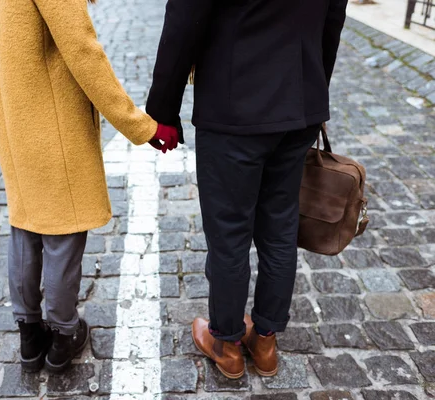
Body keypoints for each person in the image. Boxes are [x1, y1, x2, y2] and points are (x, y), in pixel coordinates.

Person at [0, 0, 179, 373]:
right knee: (63, 231)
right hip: (52, 122)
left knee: (26, 225)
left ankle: (30, 334)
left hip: (12, 118)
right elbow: (83, 51)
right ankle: (64, 335)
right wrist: (140, 126)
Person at [146, 0, 348, 379]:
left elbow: (185, 18)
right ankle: (266, 341)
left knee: (229, 233)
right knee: (280, 227)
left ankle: (227, 344)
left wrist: (163, 108)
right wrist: (310, 87)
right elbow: (332, 19)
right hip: (299, 101)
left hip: (234, 107)